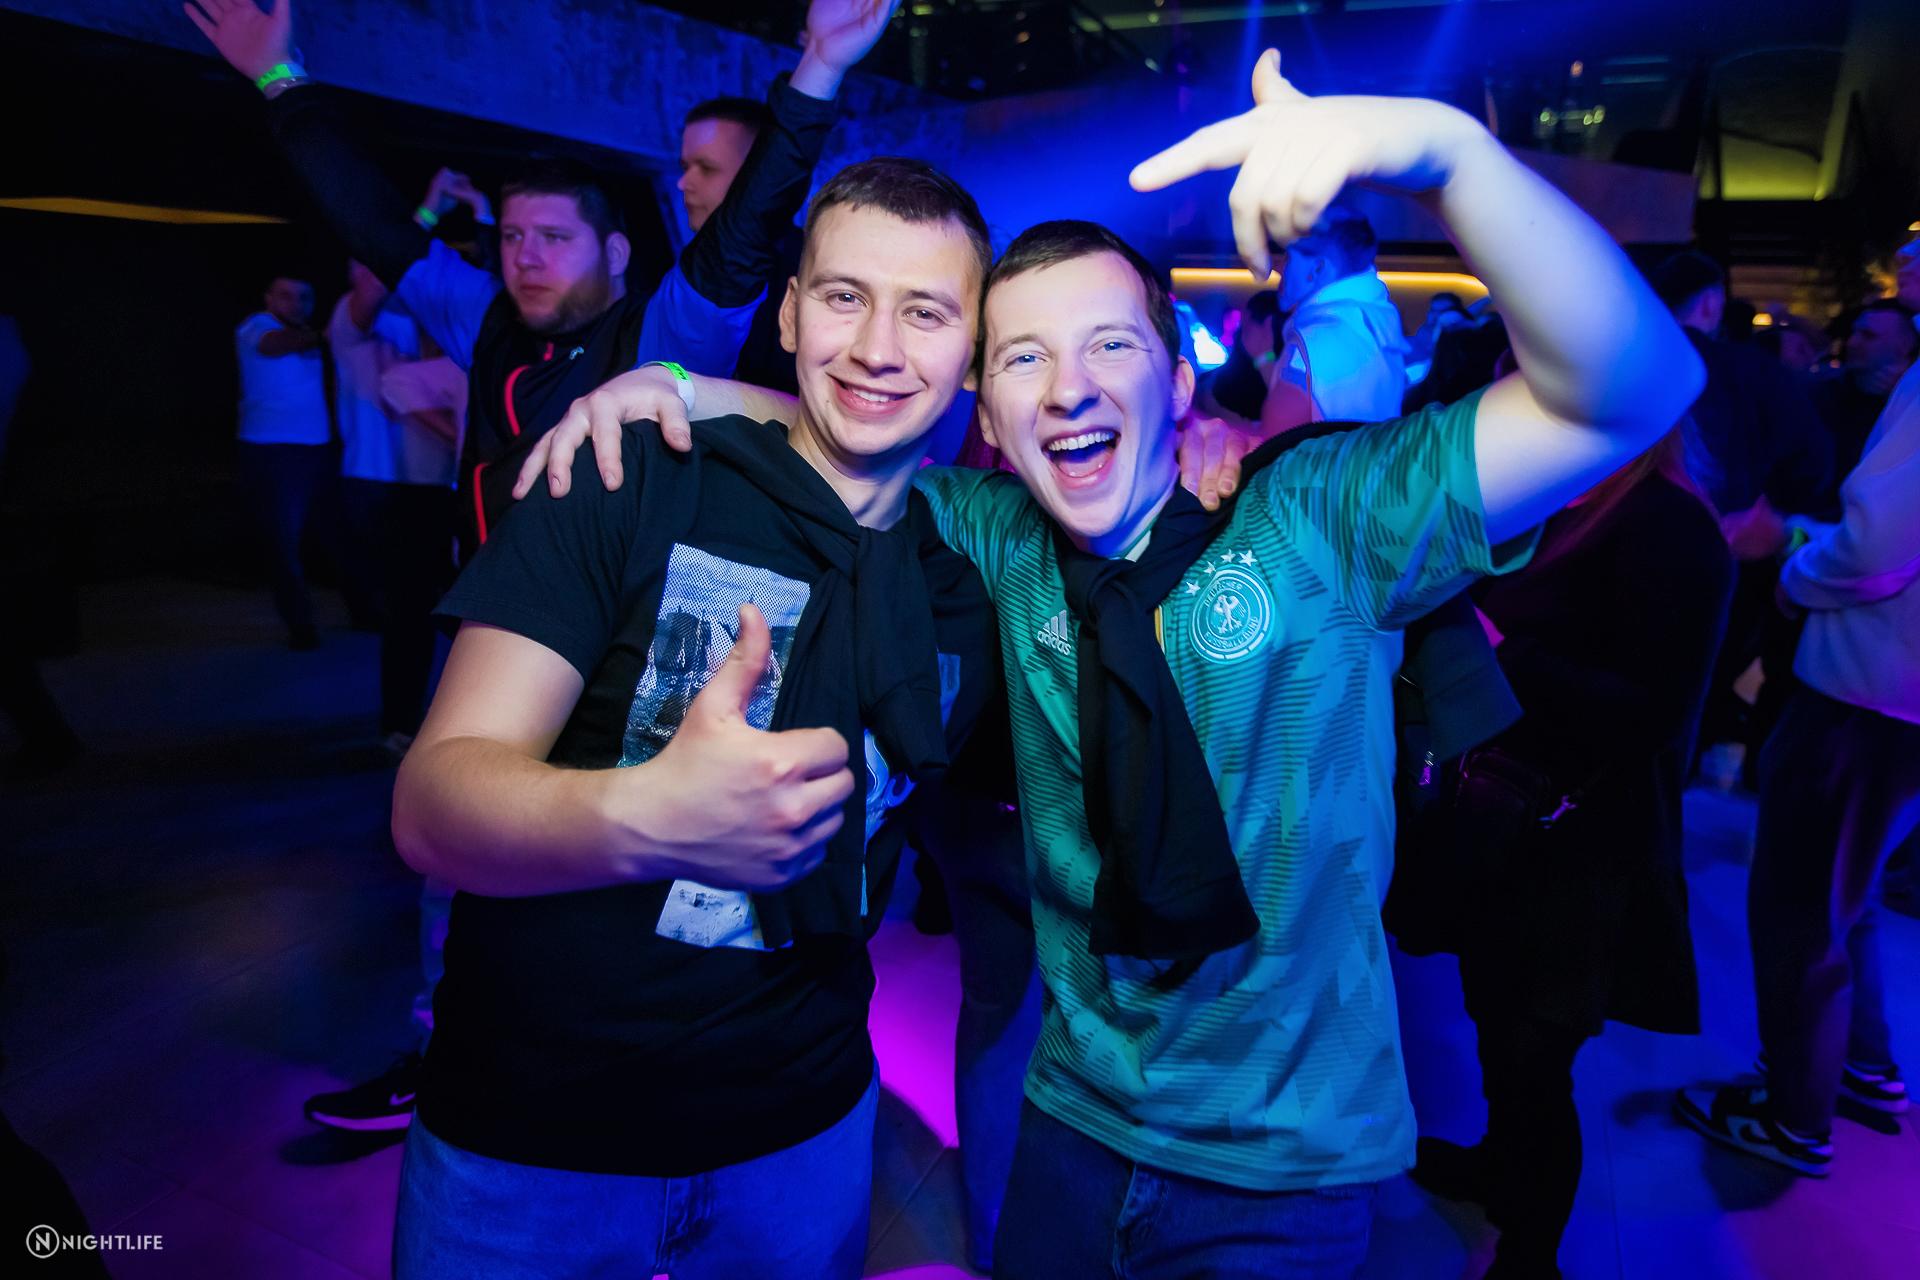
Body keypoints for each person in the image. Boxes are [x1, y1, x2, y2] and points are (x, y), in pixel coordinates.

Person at [541, 49, 1704, 1276]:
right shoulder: (995, 532)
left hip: (1285, 1171)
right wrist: (674, 386)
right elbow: (848, 436)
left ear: (1180, 374)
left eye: (1109, 345)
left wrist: (1447, 157)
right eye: (1023, 357)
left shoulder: (1319, 518)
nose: (1067, 388)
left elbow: (1636, 389)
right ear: (986, 411)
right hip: (1068, 1124)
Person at [186, 0, 897, 563]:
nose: (526, 257)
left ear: (614, 252)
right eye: (514, 237)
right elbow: (379, 229)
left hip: (610, 650)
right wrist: (280, 80)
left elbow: (744, 233)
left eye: (555, 239)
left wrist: (819, 68)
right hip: (481, 626)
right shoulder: (484, 317)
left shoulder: (661, 334)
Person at [1406, 430, 1733, 1279]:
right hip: (1510, 817)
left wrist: (1500, 649)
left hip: (1586, 842)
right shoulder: (1559, 497)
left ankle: (1532, 1256)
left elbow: (1653, 716)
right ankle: (1499, 1169)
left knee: (1536, 1059)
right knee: (1496, 1020)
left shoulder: (1672, 526)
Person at [1677, 354, 1920, 1175]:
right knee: (1849, 895)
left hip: (1867, 693)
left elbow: (1880, 543)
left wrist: (1794, 569)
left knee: (1799, 908)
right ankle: (1859, 1065)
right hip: (1898, 699)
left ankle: (1794, 1114)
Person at [326, 261, 458, 754]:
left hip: (441, 486)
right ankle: (402, 722)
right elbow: (375, 279)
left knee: (454, 608)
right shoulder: (353, 322)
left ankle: (443, 715)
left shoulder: (439, 323)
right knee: (411, 609)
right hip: (383, 484)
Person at [234, 274, 329, 650]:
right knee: (284, 542)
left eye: (304, 297)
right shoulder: (256, 325)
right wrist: (324, 336)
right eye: (286, 296)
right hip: (273, 449)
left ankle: (364, 609)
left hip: (315, 446)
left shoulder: (306, 334)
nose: (296, 304)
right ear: (268, 299)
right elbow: (272, 345)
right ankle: (300, 625)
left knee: (336, 534)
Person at [1265, 202, 1409, 425]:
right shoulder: (1377, 329)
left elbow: (1274, 442)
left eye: (1288, 257)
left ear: (1317, 269)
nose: (1278, 268)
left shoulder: (1310, 345)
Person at [1810, 299, 1917, 510]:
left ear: (1904, 347)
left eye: (1868, 336)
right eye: (1854, 333)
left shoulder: (1911, 407)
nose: (1852, 342)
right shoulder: (1821, 393)